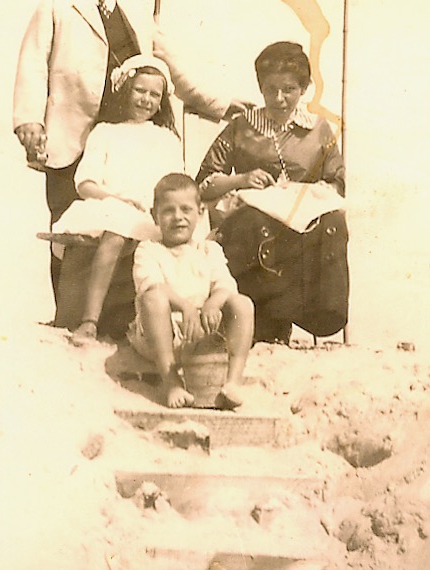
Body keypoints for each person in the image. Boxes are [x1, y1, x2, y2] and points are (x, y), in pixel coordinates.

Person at [13, 0, 248, 303]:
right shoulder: (57, 2)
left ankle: (119, 316)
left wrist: (217, 104)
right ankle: (68, 313)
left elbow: (169, 63)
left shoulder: (136, 8)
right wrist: (28, 120)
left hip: (126, 136)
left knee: (134, 223)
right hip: (72, 134)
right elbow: (33, 62)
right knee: (69, 222)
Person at [195, 41, 348, 344]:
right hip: (250, 219)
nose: (279, 98)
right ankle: (261, 319)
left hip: (302, 220)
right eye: (270, 89)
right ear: (261, 88)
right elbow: (203, 183)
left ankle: (308, 315)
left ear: (303, 88)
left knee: (333, 224)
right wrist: (241, 179)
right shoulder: (242, 126)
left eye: (288, 89)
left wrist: (303, 194)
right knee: (254, 222)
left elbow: (336, 182)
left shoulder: (318, 130)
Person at [53, 54, 183, 342]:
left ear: (162, 101)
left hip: (150, 214)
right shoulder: (106, 132)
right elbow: (85, 184)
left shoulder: (167, 140)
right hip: (107, 207)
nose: (146, 100)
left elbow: (175, 186)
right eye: (140, 90)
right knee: (116, 230)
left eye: (154, 94)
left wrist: (155, 209)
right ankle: (89, 321)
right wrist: (116, 200)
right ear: (125, 89)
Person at [127, 173, 254, 409]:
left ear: (200, 212)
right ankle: (172, 382)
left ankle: (233, 382)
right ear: (155, 215)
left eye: (186, 209)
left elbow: (224, 285)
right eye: (168, 211)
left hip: (204, 328)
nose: (178, 218)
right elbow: (152, 286)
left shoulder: (209, 249)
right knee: (153, 297)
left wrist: (212, 304)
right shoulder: (149, 249)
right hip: (162, 333)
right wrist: (186, 306)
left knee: (242, 303)